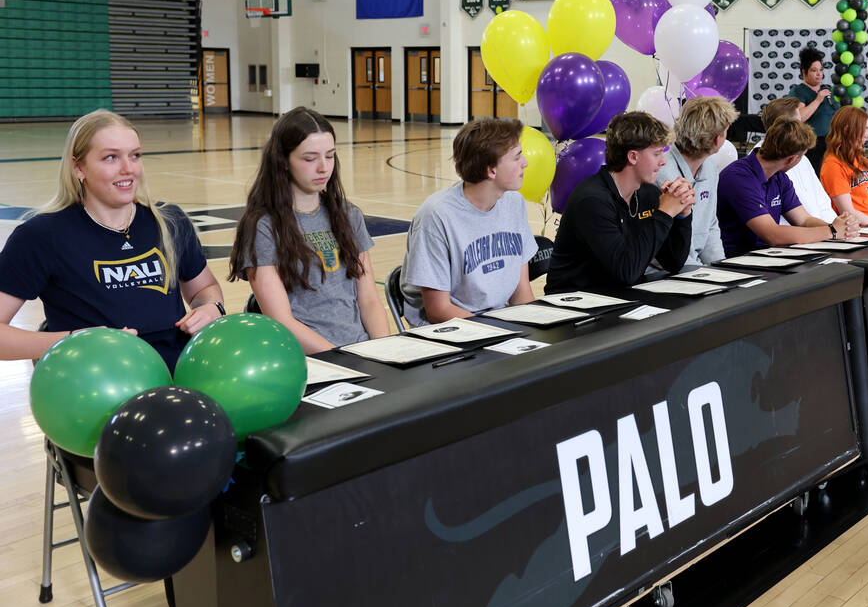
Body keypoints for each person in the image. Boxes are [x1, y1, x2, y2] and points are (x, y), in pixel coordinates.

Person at [0, 110, 225, 367]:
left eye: (135, 155)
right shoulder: (41, 236)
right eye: (111, 158)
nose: (128, 169)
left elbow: (204, 289)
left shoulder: (168, 220)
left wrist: (211, 307)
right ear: (78, 168)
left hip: (177, 375)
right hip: (97, 382)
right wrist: (76, 341)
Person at [229, 107, 389, 352]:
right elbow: (281, 321)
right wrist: (344, 359)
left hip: (361, 352)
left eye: (330, 156)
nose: (324, 168)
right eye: (310, 158)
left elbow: (369, 300)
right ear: (283, 161)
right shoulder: (262, 227)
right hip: (310, 359)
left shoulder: (348, 214)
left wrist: (384, 351)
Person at [400, 118, 538, 325]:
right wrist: (498, 331)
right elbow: (438, 310)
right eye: (517, 157)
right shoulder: (436, 216)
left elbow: (521, 293)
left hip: (497, 325)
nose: (525, 162)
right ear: (491, 170)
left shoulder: (514, 203)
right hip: (450, 333)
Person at [547, 112, 695, 293]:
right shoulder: (592, 201)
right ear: (633, 157)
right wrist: (663, 214)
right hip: (574, 306)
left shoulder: (647, 194)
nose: (663, 162)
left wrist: (682, 215)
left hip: (617, 299)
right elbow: (625, 272)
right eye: (657, 154)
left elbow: (673, 262)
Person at [717, 118, 858, 256]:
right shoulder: (739, 177)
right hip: (739, 261)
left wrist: (840, 228)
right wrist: (832, 231)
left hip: (767, 257)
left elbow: (804, 220)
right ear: (792, 159)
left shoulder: (779, 177)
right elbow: (772, 234)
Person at [656, 96, 740, 267]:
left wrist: (721, 268)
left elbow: (711, 226)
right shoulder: (664, 173)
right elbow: (666, 251)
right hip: (665, 271)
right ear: (717, 139)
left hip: (694, 269)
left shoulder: (709, 167)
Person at [760, 96, 837, 223]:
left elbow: (822, 202)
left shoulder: (803, 159)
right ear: (786, 126)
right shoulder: (765, 161)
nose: (803, 126)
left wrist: (837, 227)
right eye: (799, 121)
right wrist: (830, 230)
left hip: (818, 232)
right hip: (791, 237)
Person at [820, 106, 868, 224]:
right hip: (859, 233)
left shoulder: (863, 161)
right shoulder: (833, 165)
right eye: (864, 129)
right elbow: (848, 212)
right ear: (847, 130)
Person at [788, 48, 837, 168]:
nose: (819, 74)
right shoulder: (798, 91)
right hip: (811, 145)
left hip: (831, 143)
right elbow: (799, 117)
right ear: (804, 73)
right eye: (814, 70)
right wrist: (818, 100)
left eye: (821, 70)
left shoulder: (827, 89)